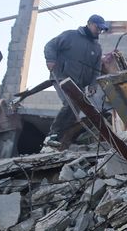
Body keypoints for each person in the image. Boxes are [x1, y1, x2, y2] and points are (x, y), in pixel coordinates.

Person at [42, 14, 108, 147]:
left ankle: (58, 140)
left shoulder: (97, 48)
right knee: (70, 104)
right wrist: (50, 59)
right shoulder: (70, 36)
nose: (99, 31)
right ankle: (52, 135)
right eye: (97, 27)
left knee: (76, 110)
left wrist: (93, 84)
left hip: (79, 84)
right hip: (62, 77)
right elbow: (50, 46)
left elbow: (96, 69)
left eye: (102, 29)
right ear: (89, 23)